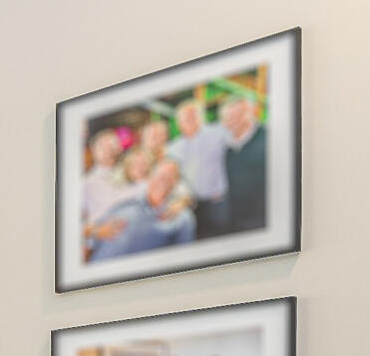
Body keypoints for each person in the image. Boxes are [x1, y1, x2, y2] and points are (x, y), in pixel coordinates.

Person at [89, 158, 195, 260]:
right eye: (160, 174)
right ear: (150, 176)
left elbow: (183, 260)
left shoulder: (182, 218)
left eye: (170, 176)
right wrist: (97, 231)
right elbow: (88, 237)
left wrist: (183, 201)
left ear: (176, 183)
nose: (163, 179)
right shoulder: (124, 203)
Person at [171, 98, 232, 239]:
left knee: (222, 241)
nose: (189, 120)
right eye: (185, 117)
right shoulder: (174, 148)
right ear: (178, 122)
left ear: (202, 116)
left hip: (216, 203)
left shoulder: (220, 133)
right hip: (188, 206)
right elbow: (174, 178)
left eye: (193, 115)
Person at [220, 94, 268, 235]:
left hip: (262, 223)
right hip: (235, 225)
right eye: (229, 117)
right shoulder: (227, 150)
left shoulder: (269, 139)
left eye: (240, 114)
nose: (234, 121)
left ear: (253, 112)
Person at [82, 129, 134, 226]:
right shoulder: (86, 182)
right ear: (94, 150)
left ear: (119, 149)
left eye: (112, 146)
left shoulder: (130, 174)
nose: (108, 150)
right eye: (103, 146)